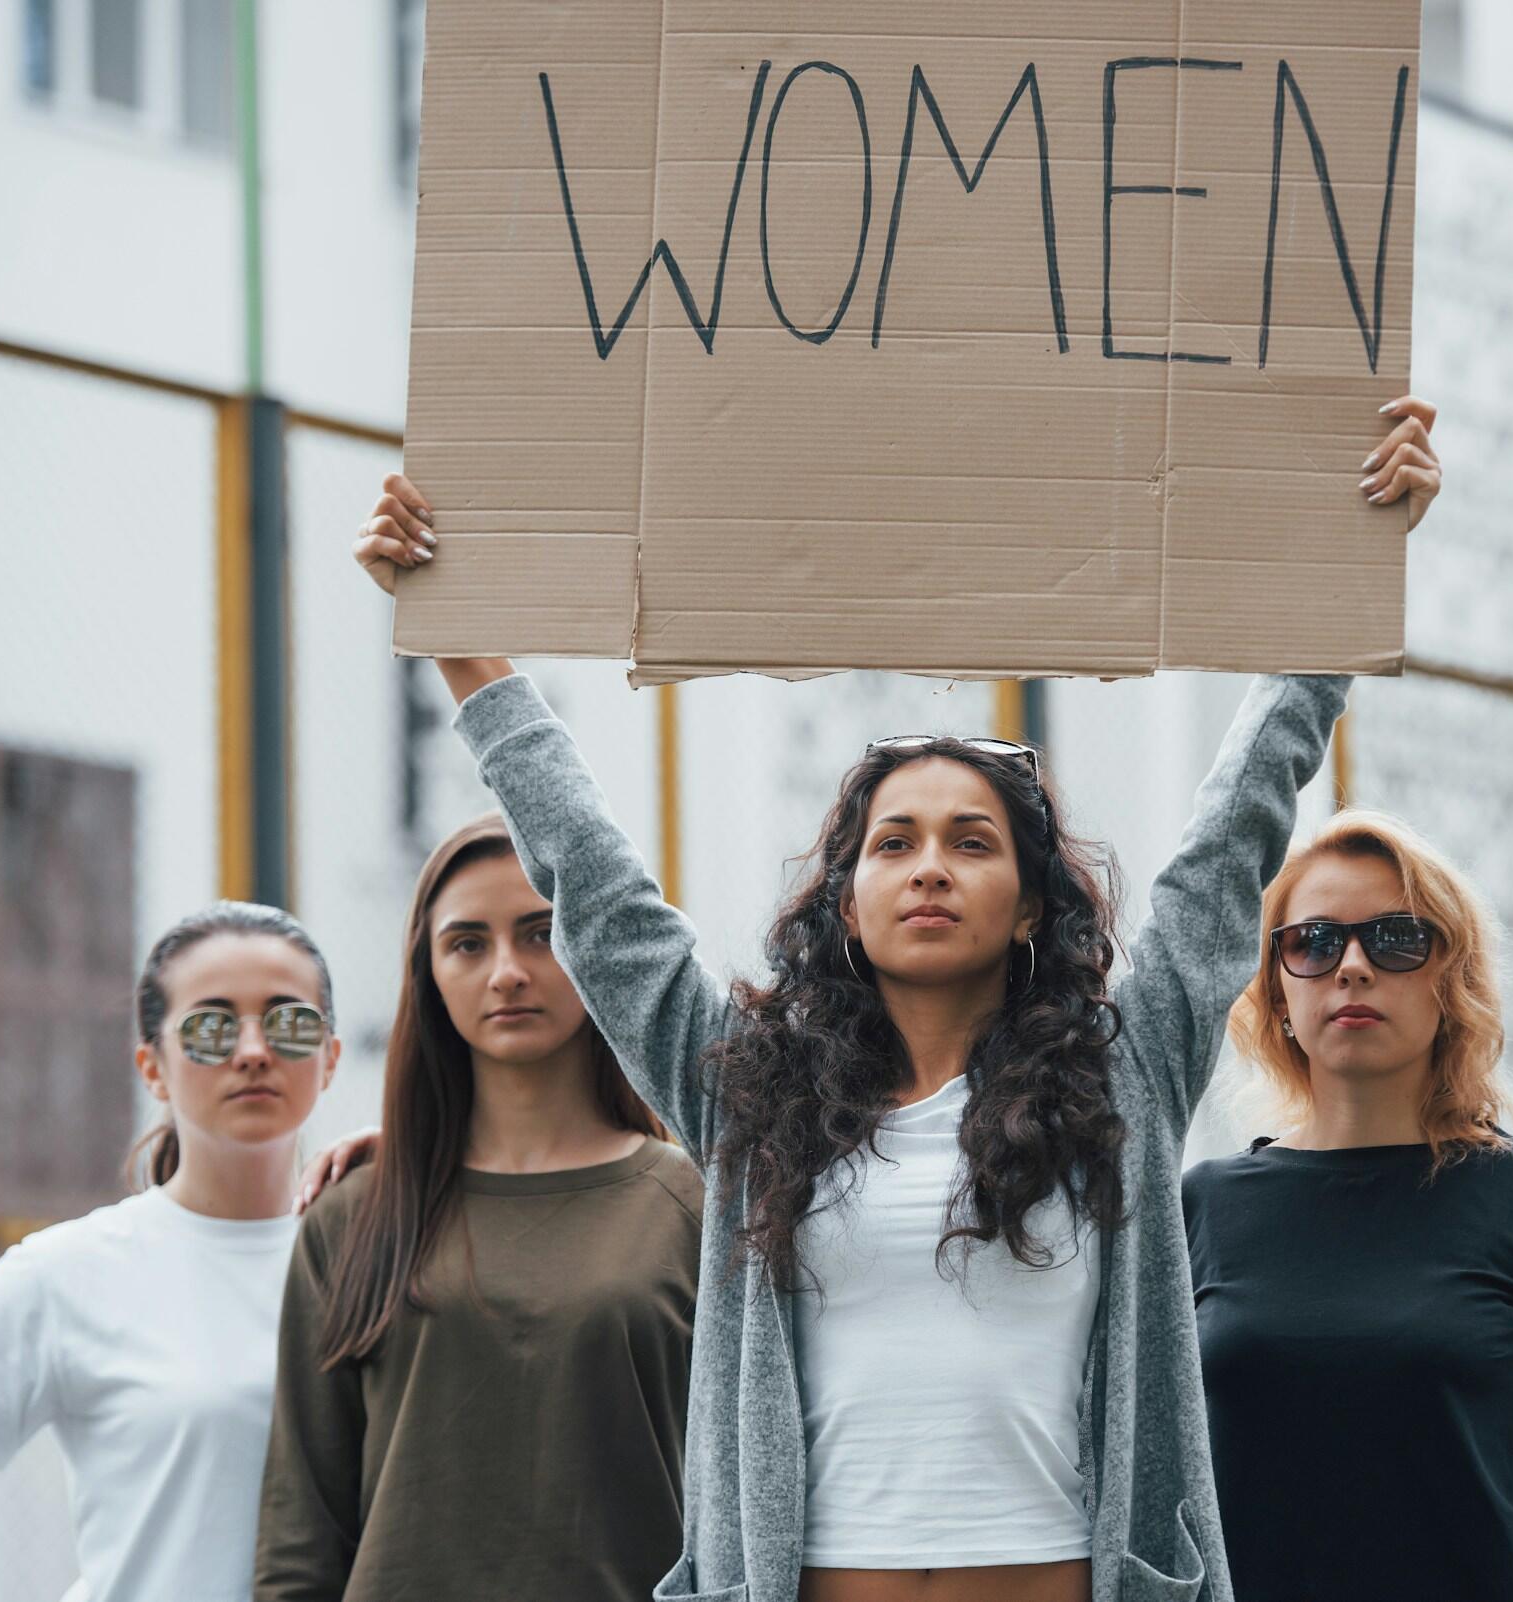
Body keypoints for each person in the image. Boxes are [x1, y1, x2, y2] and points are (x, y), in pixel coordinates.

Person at [338, 398, 1437, 1602]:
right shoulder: (748, 1087)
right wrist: (461, 647)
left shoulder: (1125, 1074)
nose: (928, 866)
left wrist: (1350, 568)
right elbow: (594, 886)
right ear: (846, 900)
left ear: (1029, 904)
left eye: (971, 843)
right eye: (892, 842)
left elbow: (1234, 836)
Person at [1185, 810, 1513, 1602]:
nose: (1351, 966)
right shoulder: (1199, 1208)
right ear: (1278, 990)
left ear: (1449, 980)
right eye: (1313, 943)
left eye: (1396, 939)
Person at [255, 815, 702, 1601]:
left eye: (541, 935)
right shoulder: (351, 1214)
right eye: (468, 943)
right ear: (428, 972)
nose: (507, 972)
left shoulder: (695, 1205)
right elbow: (302, 1532)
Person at [0, 904, 341, 1602]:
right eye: (210, 1026)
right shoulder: (70, 1272)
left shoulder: (382, 1251)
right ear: (153, 1067)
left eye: (291, 1023)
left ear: (331, 1059)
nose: (253, 1050)